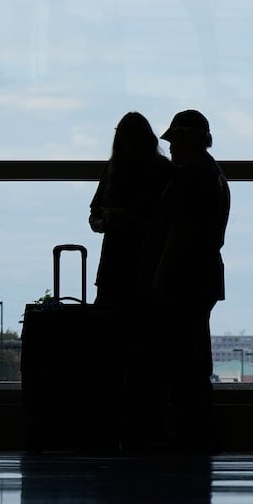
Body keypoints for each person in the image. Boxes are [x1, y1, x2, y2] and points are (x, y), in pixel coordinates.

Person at [150, 109, 230, 451]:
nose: (171, 149)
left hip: (185, 276)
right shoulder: (213, 173)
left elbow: (179, 232)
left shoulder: (192, 175)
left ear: (188, 139)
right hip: (203, 275)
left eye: (175, 141)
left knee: (183, 360)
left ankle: (187, 432)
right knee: (194, 357)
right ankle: (198, 431)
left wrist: (160, 275)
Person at [88, 111, 171, 310]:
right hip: (145, 266)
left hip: (117, 266)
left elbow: (94, 217)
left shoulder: (114, 169)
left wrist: (108, 222)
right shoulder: (164, 170)